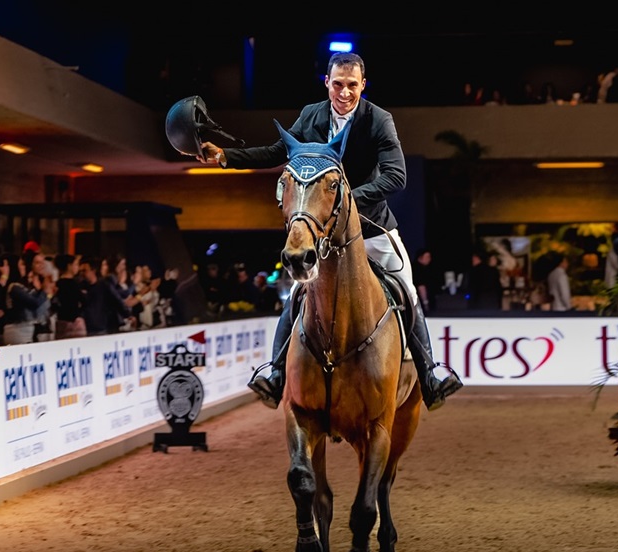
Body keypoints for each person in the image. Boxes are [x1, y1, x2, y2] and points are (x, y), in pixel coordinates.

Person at [194, 51, 462, 411]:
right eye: (338, 84)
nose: (345, 93)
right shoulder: (311, 115)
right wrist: (225, 157)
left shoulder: (378, 120)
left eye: (353, 85)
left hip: (372, 229)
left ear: (363, 85)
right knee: (298, 295)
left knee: (408, 290)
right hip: (326, 236)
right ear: (327, 83)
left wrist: (348, 201)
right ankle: (275, 373)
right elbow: (277, 152)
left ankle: (429, 374)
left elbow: (396, 176)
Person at [413, 249, 441, 314]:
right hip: (420, 302)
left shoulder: (427, 268)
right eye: (427, 257)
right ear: (420, 257)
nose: (429, 259)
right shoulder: (417, 269)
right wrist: (425, 302)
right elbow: (421, 287)